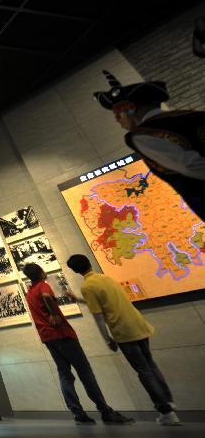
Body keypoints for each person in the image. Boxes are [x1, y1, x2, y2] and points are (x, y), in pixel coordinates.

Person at [65, 254, 181, 426]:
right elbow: (104, 301)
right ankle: (168, 401)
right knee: (150, 365)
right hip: (138, 324)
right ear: (89, 263)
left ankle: (166, 411)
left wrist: (107, 340)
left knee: (143, 371)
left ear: (75, 271)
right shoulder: (105, 278)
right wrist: (79, 299)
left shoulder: (88, 286)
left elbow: (98, 316)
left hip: (123, 331)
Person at [21, 263, 133, 425]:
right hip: (62, 335)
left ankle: (78, 414)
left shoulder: (30, 292)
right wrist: (54, 314)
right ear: (40, 272)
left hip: (48, 338)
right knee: (85, 373)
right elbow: (46, 296)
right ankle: (105, 411)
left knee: (65, 374)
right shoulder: (43, 286)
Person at [93, 70, 205, 219]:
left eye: (118, 115)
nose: (117, 121)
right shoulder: (195, 116)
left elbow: (190, 165)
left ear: (130, 110)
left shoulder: (141, 135)